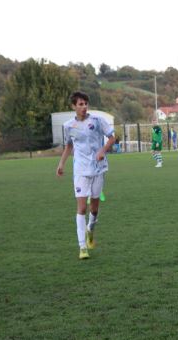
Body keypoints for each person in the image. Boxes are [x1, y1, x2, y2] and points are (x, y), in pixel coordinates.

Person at [56, 91, 116, 260]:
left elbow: (112, 138)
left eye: (85, 104)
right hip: (80, 170)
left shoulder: (97, 120)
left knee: (94, 209)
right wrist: (61, 164)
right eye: (80, 104)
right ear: (73, 106)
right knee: (82, 208)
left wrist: (103, 151)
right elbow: (69, 146)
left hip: (98, 168)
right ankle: (82, 246)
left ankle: (91, 228)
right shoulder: (68, 126)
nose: (84, 107)